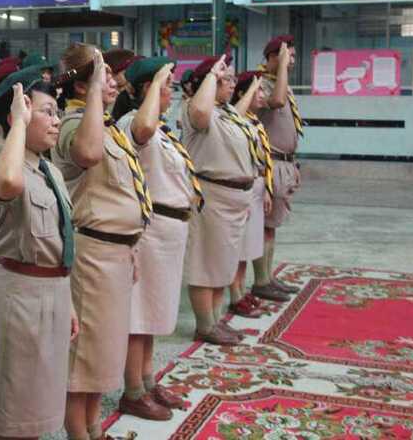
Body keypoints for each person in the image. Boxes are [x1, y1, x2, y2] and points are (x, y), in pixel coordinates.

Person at [0, 66, 78, 439]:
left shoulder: (50, 171)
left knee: (39, 403)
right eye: (47, 112)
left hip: (53, 290)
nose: (56, 121)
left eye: (57, 112)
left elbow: (59, 243)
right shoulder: (1, 164)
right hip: (21, 296)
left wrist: (68, 300)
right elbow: (8, 182)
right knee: (13, 409)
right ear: (18, 116)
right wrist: (18, 123)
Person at [51, 45, 154, 439]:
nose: (113, 80)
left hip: (116, 251)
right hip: (92, 255)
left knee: (102, 355)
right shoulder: (73, 124)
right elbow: (89, 153)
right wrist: (95, 90)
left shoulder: (106, 124)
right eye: (103, 75)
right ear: (81, 86)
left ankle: (95, 429)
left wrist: (132, 246)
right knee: (82, 361)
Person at [116, 56, 203, 418]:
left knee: (153, 313)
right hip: (150, 232)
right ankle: (133, 390)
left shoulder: (162, 128)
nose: (171, 91)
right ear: (146, 89)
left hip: (170, 232)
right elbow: (143, 129)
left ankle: (148, 381)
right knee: (139, 316)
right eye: (166, 85)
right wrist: (154, 86)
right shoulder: (132, 122)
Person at [180, 54, 260, 346]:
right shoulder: (195, 109)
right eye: (226, 79)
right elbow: (201, 112)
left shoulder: (227, 113)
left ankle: (214, 320)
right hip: (211, 197)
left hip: (234, 199)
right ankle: (205, 325)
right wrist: (213, 74)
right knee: (205, 264)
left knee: (222, 265)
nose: (232, 84)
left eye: (231, 79)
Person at [227, 71, 278, 317]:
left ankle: (242, 290)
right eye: (257, 90)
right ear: (242, 94)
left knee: (249, 246)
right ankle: (235, 295)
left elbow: (262, 159)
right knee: (239, 248)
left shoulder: (255, 122)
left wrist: (266, 187)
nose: (262, 95)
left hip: (257, 185)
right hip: (245, 187)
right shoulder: (237, 123)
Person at [256, 36, 303, 296]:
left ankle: (268, 277)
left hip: (284, 163)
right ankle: (261, 281)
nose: (292, 62)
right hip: (270, 163)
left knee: (271, 226)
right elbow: (276, 102)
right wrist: (282, 67)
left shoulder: (281, 84)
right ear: (273, 57)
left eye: (293, 57)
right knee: (264, 227)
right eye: (288, 56)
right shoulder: (261, 84)